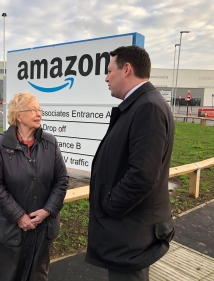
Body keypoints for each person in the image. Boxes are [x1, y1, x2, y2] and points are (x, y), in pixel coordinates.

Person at [85, 45, 175, 281]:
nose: (106, 77)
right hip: (129, 231)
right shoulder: (139, 105)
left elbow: (143, 175)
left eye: (109, 71)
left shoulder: (148, 108)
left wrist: (110, 204)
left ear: (126, 69)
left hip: (131, 233)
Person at [0, 92, 69, 281]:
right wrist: (19, 216)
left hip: (43, 228)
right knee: (6, 275)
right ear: (18, 115)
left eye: (39, 109)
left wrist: (47, 211)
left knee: (37, 276)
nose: (39, 114)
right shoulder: (0, 144)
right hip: (11, 230)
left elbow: (62, 180)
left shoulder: (50, 142)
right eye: (33, 110)